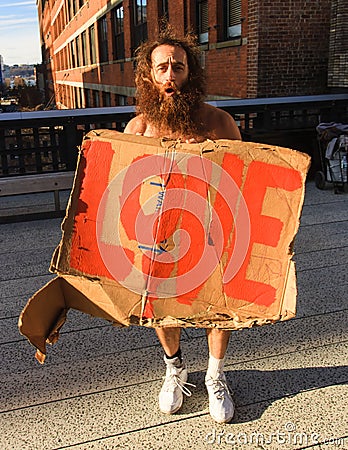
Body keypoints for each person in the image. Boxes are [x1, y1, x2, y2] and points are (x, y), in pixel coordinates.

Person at [124, 29, 241, 424]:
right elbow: (123, 189)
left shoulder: (219, 122)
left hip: (212, 232)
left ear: (190, 72)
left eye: (178, 65)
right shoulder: (138, 130)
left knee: (217, 308)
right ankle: (174, 368)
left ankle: (215, 374)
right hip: (159, 237)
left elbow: (244, 180)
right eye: (162, 67)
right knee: (163, 308)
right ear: (150, 76)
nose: (170, 74)